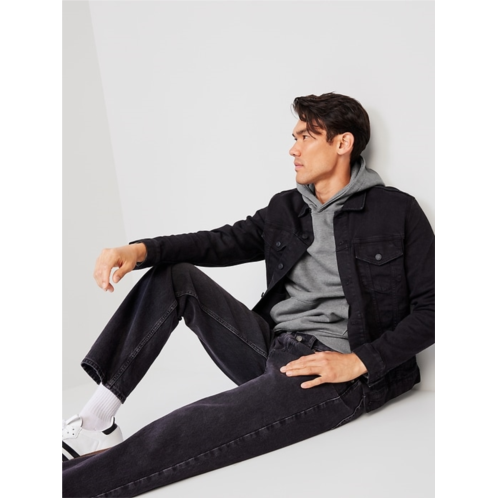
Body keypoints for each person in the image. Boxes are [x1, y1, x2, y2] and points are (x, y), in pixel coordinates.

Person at [62, 92, 436, 498]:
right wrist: (140, 251)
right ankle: (96, 421)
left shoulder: (396, 211)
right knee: (174, 276)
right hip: (271, 346)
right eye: (294, 137)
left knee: (191, 427)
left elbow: (431, 309)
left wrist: (357, 362)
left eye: (307, 137)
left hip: (329, 371)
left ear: (343, 143)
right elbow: (218, 242)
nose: (293, 149)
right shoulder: (286, 209)